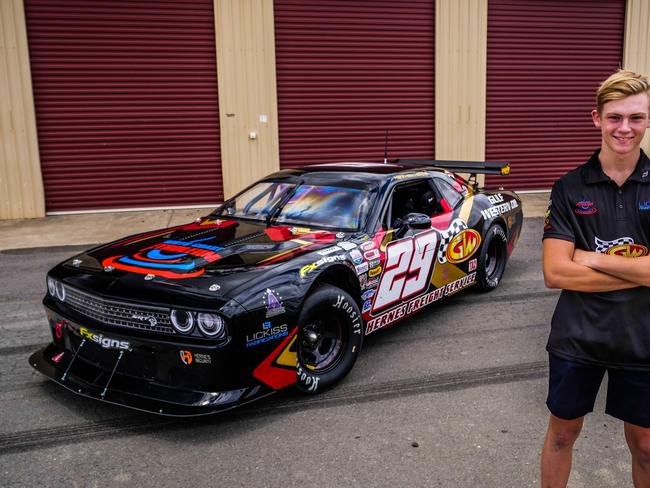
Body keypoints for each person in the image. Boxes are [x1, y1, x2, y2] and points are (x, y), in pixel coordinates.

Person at [541, 69, 650, 488]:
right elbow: (555, 272)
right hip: (578, 337)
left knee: (645, 446)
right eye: (615, 117)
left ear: (646, 120)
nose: (625, 128)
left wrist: (591, 258)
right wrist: (640, 273)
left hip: (643, 339)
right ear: (596, 119)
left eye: (636, 118)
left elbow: (572, 265)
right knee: (562, 435)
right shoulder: (569, 188)